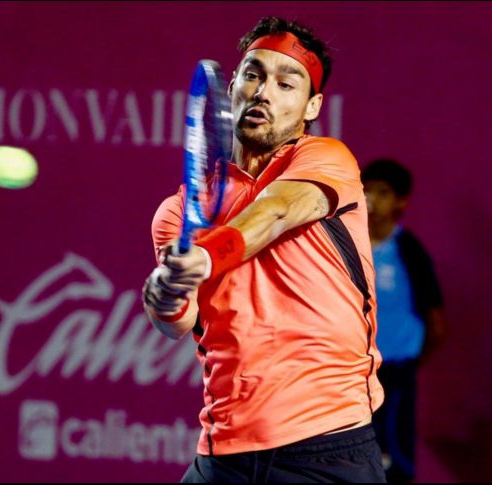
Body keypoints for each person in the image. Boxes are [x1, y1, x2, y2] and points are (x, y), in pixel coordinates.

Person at [141, 16, 386, 483]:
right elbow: (178, 322)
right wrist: (165, 295)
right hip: (225, 452)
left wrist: (207, 255)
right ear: (233, 86)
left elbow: (275, 212)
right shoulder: (175, 213)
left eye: (285, 83)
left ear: (311, 105)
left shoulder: (325, 160)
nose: (263, 92)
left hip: (327, 448)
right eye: (253, 74)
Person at [361, 158, 447, 483]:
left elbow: (438, 326)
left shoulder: (409, 251)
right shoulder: (344, 248)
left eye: (382, 192)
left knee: (393, 468)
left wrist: (407, 363)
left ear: (401, 201)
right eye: (366, 190)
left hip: (395, 377)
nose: (372, 200)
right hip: (348, 379)